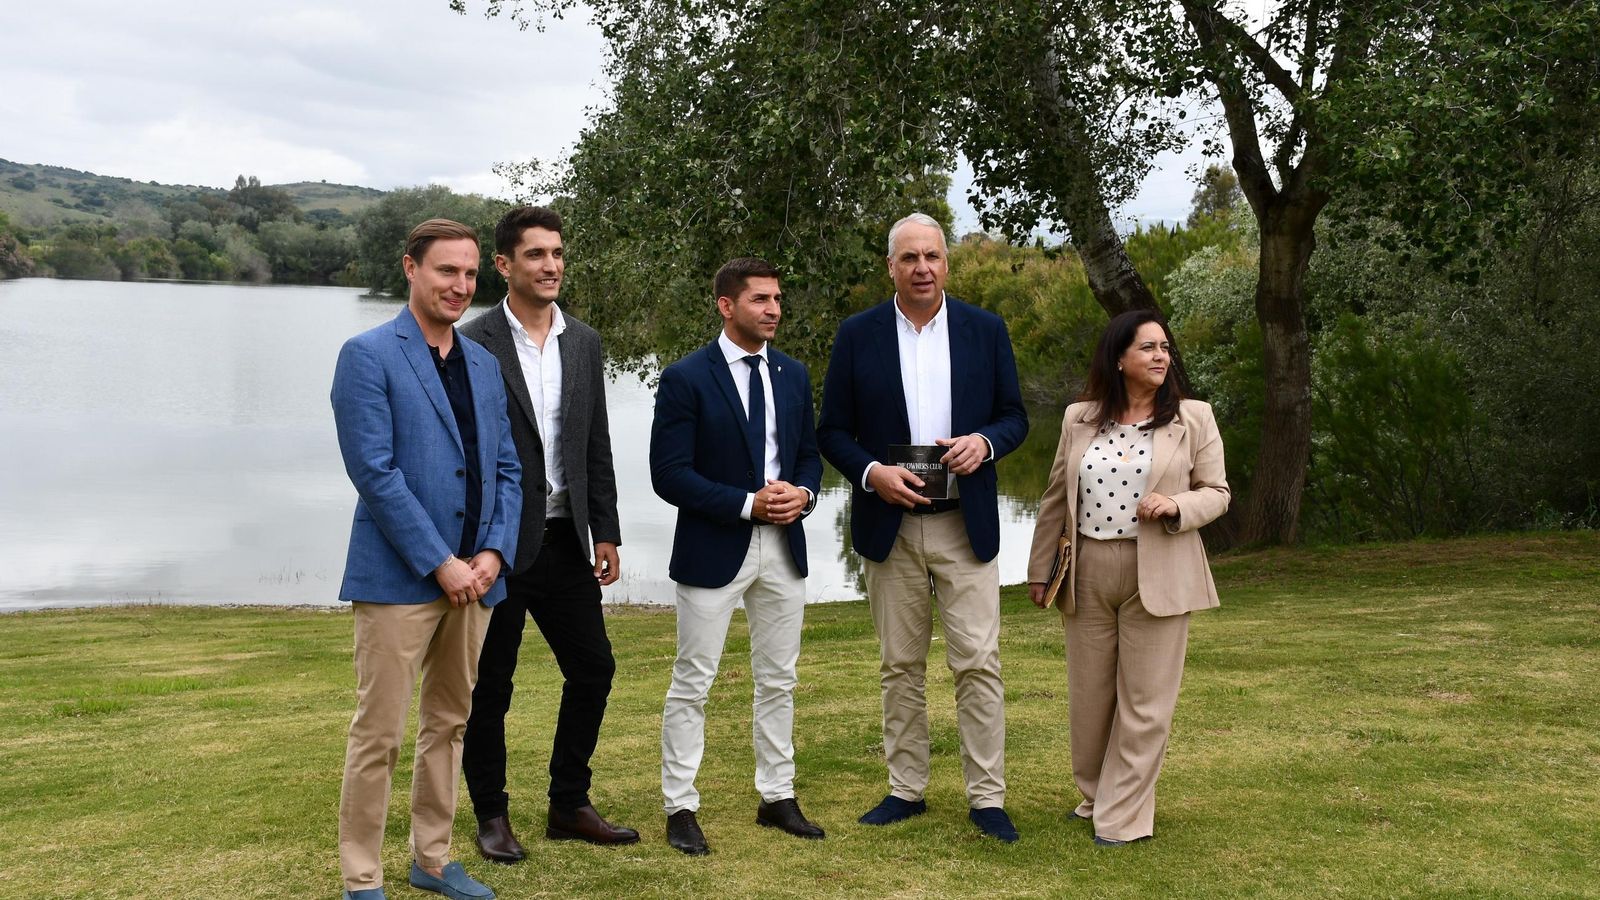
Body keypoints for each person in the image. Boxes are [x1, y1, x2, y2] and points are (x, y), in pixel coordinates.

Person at [817, 212, 1029, 843]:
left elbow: (1015, 416)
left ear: (946, 262)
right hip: (894, 524)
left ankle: (987, 798)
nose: (922, 268)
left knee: (978, 664)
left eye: (932, 256)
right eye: (909, 258)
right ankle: (905, 789)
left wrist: (986, 444)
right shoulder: (858, 336)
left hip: (966, 524)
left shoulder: (984, 330)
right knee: (900, 665)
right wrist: (871, 472)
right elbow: (831, 431)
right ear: (891, 266)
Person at [331, 218, 522, 900]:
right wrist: (441, 561)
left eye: (470, 274)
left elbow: (506, 467)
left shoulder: (483, 364)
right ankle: (362, 878)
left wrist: (494, 551)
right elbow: (375, 473)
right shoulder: (369, 355)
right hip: (399, 580)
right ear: (411, 269)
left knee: (450, 723)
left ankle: (433, 860)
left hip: (478, 580)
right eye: (447, 271)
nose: (461, 286)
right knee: (378, 732)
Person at [459, 206, 636, 862]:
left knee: (593, 668)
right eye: (536, 255)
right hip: (494, 545)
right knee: (490, 687)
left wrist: (607, 530)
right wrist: (473, 546)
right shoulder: (473, 341)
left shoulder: (583, 342)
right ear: (504, 265)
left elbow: (595, 441)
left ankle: (568, 803)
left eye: (557, 253)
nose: (552, 265)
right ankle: (492, 815)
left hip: (565, 537)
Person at [1026, 308, 1230, 847]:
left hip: (1159, 569)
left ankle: (1122, 817)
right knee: (1089, 699)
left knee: (1144, 702)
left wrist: (1176, 504)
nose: (1161, 356)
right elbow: (1054, 499)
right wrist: (1040, 570)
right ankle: (1096, 793)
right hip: (1087, 568)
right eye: (1148, 348)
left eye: (1165, 348)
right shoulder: (1078, 418)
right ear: (1119, 358)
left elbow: (1218, 492)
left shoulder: (1195, 417)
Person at [649, 257, 825, 855]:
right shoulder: (685, 378)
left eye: (778, 298)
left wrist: (803, 493)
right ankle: (680, 806)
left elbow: (808, 455)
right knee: (693, 681)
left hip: (785, 547)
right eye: (760, 300)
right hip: (714, 546)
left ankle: (778, 796)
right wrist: (748, 504)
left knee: (779, 679)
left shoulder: (794, 375)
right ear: (726, 305)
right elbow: (669, 475)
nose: (774, 308)